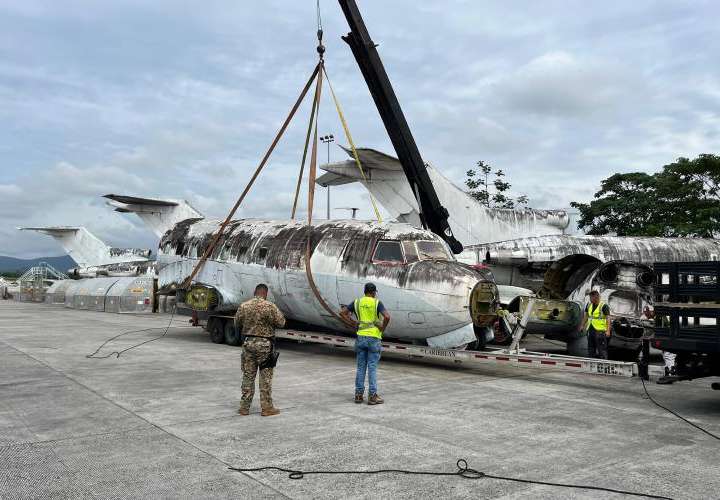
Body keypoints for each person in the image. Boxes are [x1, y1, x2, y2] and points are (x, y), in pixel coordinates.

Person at [234, 283, 285, 416]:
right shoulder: (270, 306)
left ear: (254, 292)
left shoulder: (244, 306)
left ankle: (244, 407)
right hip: (264, 344)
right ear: (265, 293)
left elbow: (236, 323)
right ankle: (267, 408)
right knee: (265, 377)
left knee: (248, 376)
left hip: (248, 343)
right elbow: (281, 323)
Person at [340, 282, 391, 405]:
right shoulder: (376, 302)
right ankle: (372, 396)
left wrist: (352, 323)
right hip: (373, 338)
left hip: (361, 337)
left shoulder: (357, 302)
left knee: (361, 367)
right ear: (373, 292)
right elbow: (387, 317)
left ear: (364, 291)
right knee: (372, 368)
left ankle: (358, 395)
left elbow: (342, 313)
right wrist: (382, 328)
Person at [579, 290, 611, 359]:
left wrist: (608, 330)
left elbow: (608, 319)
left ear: (596, 298)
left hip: (600, 331)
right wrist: (582, 325)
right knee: (591, 348)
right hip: (590, 329)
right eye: (590, 297)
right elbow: (586, 316)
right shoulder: (589, 305)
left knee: (601, 350)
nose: (590, 299)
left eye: (591, 298)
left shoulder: (604, 306)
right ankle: (591, 363)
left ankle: (603, 363)